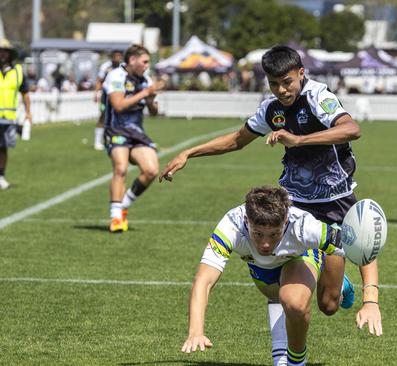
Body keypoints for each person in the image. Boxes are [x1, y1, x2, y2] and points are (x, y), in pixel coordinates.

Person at [160, 45, 382, 336]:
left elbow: (352, 128)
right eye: (274, 83)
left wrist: (300, 140)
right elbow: (237, 140)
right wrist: (190, 152)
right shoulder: (271, 109)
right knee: (286, 293)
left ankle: (339, 282)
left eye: (287, 82)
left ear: (301, 74)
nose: (281, 90)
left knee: (328, 305)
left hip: (336, 200)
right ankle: (287, 354)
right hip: (295, 203)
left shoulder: (318, 96)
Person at [182, 186, 351, 365]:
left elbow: (360, 246)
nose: (265, 244)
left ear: (285, 221)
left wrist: (370, 298)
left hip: (300, 256)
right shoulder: (231, 225)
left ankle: (296, 359)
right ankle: (282, 358)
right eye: (258, 234)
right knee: (276, 296)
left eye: (274, 234)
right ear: (247, 220)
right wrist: (196, 331)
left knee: (311, 304)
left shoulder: (304, 226)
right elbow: (204, 280)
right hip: (264, 268)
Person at [103, 44, 165, 232]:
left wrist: (150, 99)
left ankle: (123, 206)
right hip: (116, 129)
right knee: (121, 169)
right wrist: (145, 93)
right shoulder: (116, 76)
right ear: (132, 60)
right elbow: (119, 105)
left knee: (151, 170)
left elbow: (154, 112)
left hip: (136, 131)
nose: (147, 65)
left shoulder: (145, 80)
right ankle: (115, 218)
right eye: (144, 61)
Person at [0, 38, 31, 190]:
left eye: (5, 51)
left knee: (3, 147)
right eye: (0, 51)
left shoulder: (17, 71)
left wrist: (28, 112)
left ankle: (1, 176)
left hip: (8, 118)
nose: (2, 54)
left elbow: (25, 93)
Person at [94, 50, 123, 150]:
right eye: (115, 56)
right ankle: (97, 141)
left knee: (117, 117)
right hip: (106, 96)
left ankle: (112, 139)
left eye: (119, 56)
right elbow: (99, 80)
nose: (117, 58)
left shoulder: (123, 67)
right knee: (103, 116)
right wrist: (97, 93)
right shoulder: (105, 67)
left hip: (119, 95)